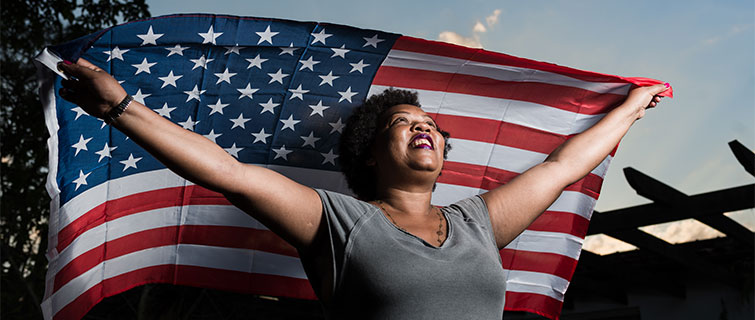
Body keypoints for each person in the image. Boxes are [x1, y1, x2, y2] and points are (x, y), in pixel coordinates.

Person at [57, 59, 667, 319]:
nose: (421, 126)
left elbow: (563, 167)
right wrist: (121, 107)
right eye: (402, 124)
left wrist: (634, 107)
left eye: (429, 124)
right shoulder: (341, 223)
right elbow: (228, 172)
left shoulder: (480, 222)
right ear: (370, 157)